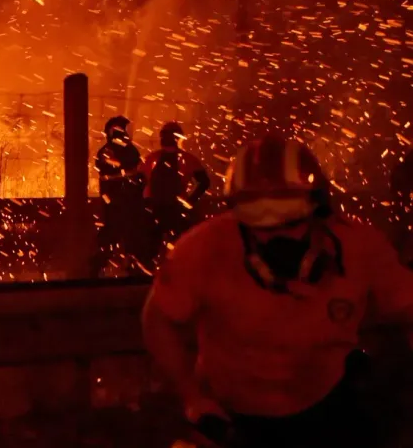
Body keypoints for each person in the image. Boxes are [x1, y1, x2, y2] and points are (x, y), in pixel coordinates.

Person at [143, 134, 413, 448]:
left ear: (318, 206)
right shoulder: (205, 247)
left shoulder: (359, 246)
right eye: (259, 215)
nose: (277, 231)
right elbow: (159, 319)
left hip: (326, 407)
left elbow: (408, 307)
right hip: (229, 417)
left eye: (289, 211)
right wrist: (193, 397)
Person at [139, 122, 210, 249]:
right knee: (179, 248)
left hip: (156, 210)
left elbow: (138, 182)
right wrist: (189, 202)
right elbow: (204, 182)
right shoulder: (187, 159)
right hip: (175, 210)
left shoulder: (151, 158)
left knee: (151, 249)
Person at [94, 115, 146, 274]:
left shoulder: (123, 150)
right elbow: (128, 171)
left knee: (122, 235)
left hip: (124, 202)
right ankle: (100, 267)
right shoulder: (113, 151)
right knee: (115, 234)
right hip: (120, 202)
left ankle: (106, 266)